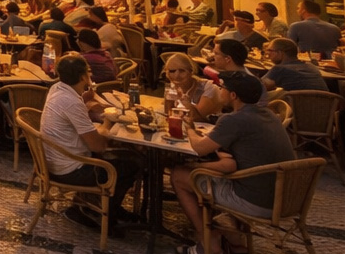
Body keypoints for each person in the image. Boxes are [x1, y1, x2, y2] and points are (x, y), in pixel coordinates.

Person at [171, 70, 295, 254]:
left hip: (255, 200)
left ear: (233, 95)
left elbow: (201, 148)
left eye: (222, 88)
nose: (219, 90)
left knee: (179, 175)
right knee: (207, 173)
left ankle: (209, 246)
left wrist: (190, 129)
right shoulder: (269, 115)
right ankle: (236, 246)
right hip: (286, 198)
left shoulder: (233, 120)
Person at [40, 54, 140, 233]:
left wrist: (85, 99)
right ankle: (104, 215)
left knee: (120, 155)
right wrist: (109, 120)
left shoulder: (57, 89)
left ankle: (89, 205)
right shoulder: (71, 102)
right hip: (70, 170)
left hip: (54, 160)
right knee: (131, 164)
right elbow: (98, 146)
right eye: (88, 71)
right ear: (83, 77)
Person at [161, 51, 222, 121]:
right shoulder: (172, 87)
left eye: (182, 71)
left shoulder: (207, 88)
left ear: (191, 71)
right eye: (172, 71)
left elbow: (199, 118)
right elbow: (168, 115)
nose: (176, 75)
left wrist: (187, 103)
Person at [261, 38, 328, 92]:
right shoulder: (311, 67)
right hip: (326, 106)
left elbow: (257, 88)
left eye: (270, 50)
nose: (268, 54)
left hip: (296, 107)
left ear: (280, 53)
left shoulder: (279, 69)